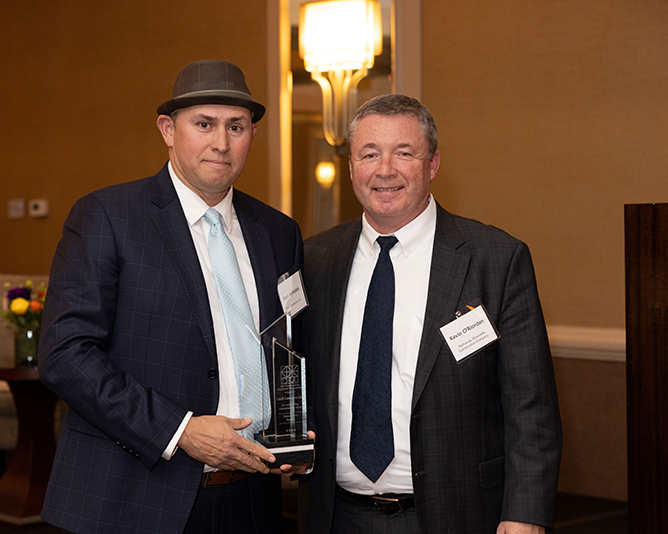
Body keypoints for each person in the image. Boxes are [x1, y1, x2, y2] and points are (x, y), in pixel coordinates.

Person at [38, 60, 306, 534]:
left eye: (236, 127)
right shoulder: (108, 216)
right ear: (168, 129)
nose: (221, 143)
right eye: (204, 124)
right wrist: (180, 429)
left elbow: (288, 341)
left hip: (253, 497)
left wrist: (298, 431)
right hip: (136, 495)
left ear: (253, 134)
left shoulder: (279, 231)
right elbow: (65, 354)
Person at [301, 94, 562, 534]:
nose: (385, 170)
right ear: (351, 168)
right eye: (369, 154)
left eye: (404, 153)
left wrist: (525, 515)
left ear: (433, 164)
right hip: (337, 516)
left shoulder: (494, 260)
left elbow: (531, 408)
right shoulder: (315, 259)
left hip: (455, 516)